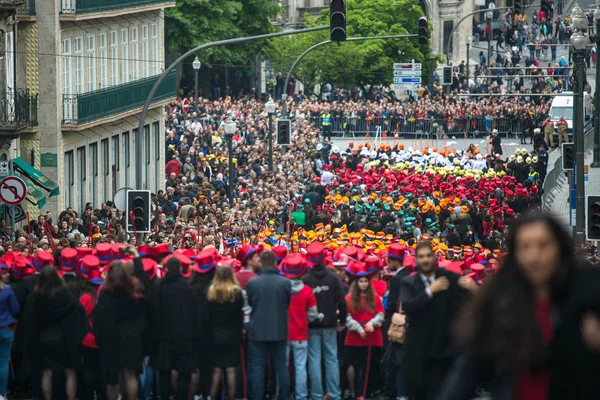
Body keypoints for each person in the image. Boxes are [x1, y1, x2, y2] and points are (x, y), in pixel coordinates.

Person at [439, 214, 600, 399]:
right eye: (525, 247)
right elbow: (466, 373)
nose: (534, 256)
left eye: (543, 245)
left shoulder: (588, 295)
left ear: (560, 248)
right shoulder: (499, 305)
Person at [399, 241, 475, 400]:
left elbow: (474, 303)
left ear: (434, 257)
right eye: (421, 257)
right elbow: (408, 305)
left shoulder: (448, 279)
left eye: (428, 256)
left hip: (442, 351)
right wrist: (430, 291)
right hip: (418, 351)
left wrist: (474, 288)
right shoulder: (409, 282)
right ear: (416, 260)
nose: (425, 260)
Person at [23, 266, 88, 400]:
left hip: (43, 338)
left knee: (46, 372)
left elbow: (29, 318)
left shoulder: (35, 296)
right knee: (70, 372)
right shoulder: (64, 295)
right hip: (64, 339)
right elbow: (78, 310)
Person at [148, 255, 201, 400]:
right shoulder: (188, 288)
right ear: (180, 269)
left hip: (163, 338)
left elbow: (152, 311)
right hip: (185, 338)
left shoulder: (158, 286)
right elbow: (196, 314)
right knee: (184, 374)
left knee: (164, 374)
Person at [93, 262, 148, 400]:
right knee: (130, 376)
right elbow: (143, 316)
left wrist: (100, 339)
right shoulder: (134, 293)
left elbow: (99, 319)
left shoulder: (105, 294)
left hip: (111, 339)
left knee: (112, 380)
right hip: (131, 338)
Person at [301, 242, 348, 400]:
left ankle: (316, 394)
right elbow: (342, 301)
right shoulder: (333, 278)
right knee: (331, 359)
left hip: (312, 325)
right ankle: (334, 394)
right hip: (330, 324)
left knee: (314, 359)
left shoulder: (306, 279)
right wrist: (342, 320)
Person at [246, 251, 292, 400]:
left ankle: (257, 397)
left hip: (258, 330)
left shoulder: (253, 283)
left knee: (257, 368)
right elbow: (287, 302)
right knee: (281, 367)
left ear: (261, 263)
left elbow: (251, 303)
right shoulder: (285, 282)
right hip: (279, 329)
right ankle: (284, 396)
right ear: (275, 263)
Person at [282, 253, 322, 400]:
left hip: (285, 333)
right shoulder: (307, 291)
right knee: (300, 367)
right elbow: (313, 314)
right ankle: (301, 395)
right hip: (301, 333)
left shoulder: (282, 289)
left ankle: (284, 394)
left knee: (283, 366)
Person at [344, 262, 384, 399]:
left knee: (365, 367)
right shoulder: (349, 298)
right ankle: (353, 391)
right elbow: (346, 317)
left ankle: (362, 393)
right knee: (351, 364)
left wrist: (372, 323)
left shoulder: (375, 297)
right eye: (361, 281)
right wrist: (358, 328)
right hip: (354, 336)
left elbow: (380, 314)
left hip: (369, 337)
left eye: (366, 281)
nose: (363, 284)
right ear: (356, 283)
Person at [206, 264, 244, 400]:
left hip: (215, 334)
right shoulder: (237, 293)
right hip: (232, 334)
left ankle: (211, 396)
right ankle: (232, 397)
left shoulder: (211, 292)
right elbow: (240, 315)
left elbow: (208, 316)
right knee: (231, 369)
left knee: (216, 369)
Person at [0, 263, 18, 399]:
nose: (8, 275)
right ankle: (1, 393)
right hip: (5, 330)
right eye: (5, 273)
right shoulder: (7, 290)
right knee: (3, 362)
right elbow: (16, 310)